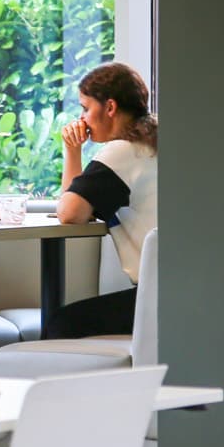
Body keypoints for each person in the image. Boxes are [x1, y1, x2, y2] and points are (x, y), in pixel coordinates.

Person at [51, 61, 159, 338]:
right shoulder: (153, 144)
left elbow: (70, 213)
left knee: (61, 324)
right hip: (180, 287)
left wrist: (72, 151)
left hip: (157, 295)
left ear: (110, 107)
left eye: (86, 108)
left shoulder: (123, 151)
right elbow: (79, 208)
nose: (82, 119)